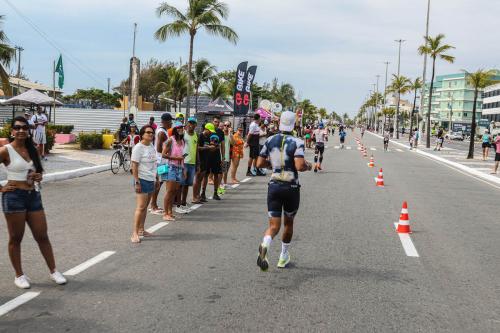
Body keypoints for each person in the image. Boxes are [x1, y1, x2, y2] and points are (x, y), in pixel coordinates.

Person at [1, 116, 67, 288]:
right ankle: (19, 275)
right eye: (17, 127)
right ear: (12, 131)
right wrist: (1, 188)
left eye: (25, 127)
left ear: (29, 131)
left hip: (33, 196)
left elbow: (38, 174)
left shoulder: (34, 149)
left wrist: (38, 176)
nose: (21, 130)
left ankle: (54, 271)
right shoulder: (5, 150)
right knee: (16, 238)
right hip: (13, 197)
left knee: (42, 236)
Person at [256, 111, 312, 270]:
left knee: (273, 226)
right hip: (290, 187)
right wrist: (308, 166)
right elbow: (300, 165)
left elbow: (259, 163)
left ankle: (265, 243)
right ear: (294, 124)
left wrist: (273, 166)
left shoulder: (270, 140)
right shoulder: (297, 142)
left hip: (274, 185)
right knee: (288, 222)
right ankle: (283, 256)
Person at [130, 125, 157, 243]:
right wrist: (137, 182)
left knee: (145, 207)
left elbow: (153, 163)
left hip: (151, 179)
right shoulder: (138, 148)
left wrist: (156, 178)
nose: (151, 134)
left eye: (152, 132)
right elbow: (134, 165)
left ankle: (141, 230)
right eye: (148, 132)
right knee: (140, 207)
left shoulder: (151, 146)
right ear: (142, 134)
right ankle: (134, 233)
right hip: (142, 179)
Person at [161, 122, 185, 221]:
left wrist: (184, 169)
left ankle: (170, 212)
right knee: (169, 191)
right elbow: (163, 154)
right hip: (171, 167)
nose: (180, 129)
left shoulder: (183, 141)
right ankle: (166, 213)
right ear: (175, 129)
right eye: (178, 128)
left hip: (180, 168)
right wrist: (176, 158)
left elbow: (182, 156)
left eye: (182, 127)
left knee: (174, 191)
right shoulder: (171, 140)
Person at [150, 113, 173, 215]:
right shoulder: (161, 133)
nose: (171, 123)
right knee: (158, 184)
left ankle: (153, 205)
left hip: (161, 161)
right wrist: (169, 152)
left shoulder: (162, 130)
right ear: (166, 121)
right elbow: (159, 148)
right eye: (170, 121)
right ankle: (153, 206)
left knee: (159, 183)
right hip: (160, 162)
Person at [192, 123, 215, 203]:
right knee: (197, 178)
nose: (211, 133)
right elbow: (197, 148)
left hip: (206, 159)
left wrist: (213, 147)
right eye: (210, 131)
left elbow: (209, 148)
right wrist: (207, 147)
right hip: (199, 160)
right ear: (206, 129)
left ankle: (198, 196)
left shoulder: (208, 137)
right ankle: (194, 197)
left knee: (201, 178)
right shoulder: (200, 136)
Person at [180, 117, 199, 210]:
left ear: (196, 125)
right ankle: (178, 203)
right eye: (190, 123)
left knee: (187, 184)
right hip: (184, 162)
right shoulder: (183, 134)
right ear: (187, 124)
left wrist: (198, 163)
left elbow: (197, 150)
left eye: (193, 123)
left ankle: (183, 202)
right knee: (181, 184)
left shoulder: (196, 135)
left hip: (193, 163)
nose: (191, 125)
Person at [212, 116, 226, 194]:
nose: (216, 123)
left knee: (219, 173)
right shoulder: (208, 130)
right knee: (205, 175)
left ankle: (216, 191)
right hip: (208, 155)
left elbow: (222, 145)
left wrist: (223, 157)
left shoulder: (220, 132)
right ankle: (202, 193)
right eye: (215, 121)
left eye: (218, 122)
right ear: (212, 121)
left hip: (217, 155)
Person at [221, 121, 234, 190]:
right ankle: (220, 185)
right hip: (222, 155)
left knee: (226, 171)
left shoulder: (229, 134)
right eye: (225, 125)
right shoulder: (221, 133)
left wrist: (230, 133)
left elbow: (233, 143)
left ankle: (225, 184)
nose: (226, 127)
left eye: (227, 126)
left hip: (228, 155)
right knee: (223, 171)